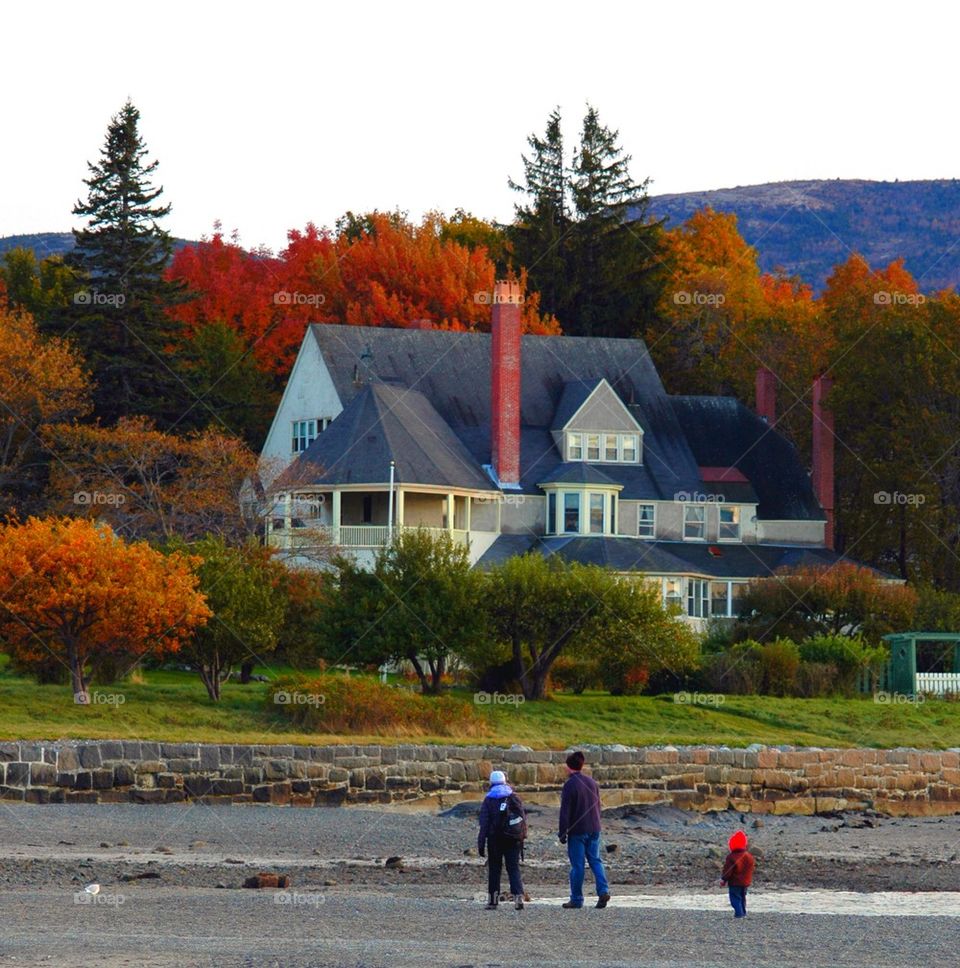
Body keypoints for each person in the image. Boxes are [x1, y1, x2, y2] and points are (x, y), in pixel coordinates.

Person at [558, 750, 610, 909]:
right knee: (596, 860)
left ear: (568, 767)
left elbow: (565, 811)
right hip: (595, 827)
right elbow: (598, 806)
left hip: (578, 830)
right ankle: (603, 891)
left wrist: (562, 832)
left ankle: (577, 899)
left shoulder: (569, 785)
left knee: (578, 865)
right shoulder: (592, 783)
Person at [477, 769, 527, 910]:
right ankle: (518, 899)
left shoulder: (489, 799)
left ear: (491, 783)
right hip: (513, 838)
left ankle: (493, 902)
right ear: (505, 781)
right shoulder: (513, 797)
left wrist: (481, 844)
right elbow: (522, 818)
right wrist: (522, 836)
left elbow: (484, 823)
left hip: (495, 839)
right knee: (513, 868)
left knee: (495, 869)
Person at [720, 830, 755, 918]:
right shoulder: (749, 856)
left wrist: (723, 879)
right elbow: (750, 869)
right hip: (745, 882)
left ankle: (739, 914)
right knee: (742, 898)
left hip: (735, 882)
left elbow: (727, 870)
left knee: (735, 898)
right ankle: (743, 913)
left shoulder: (731, 857)